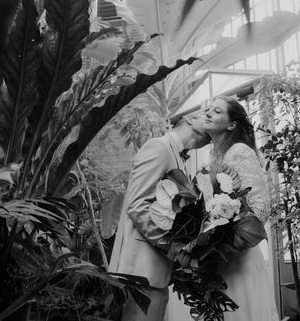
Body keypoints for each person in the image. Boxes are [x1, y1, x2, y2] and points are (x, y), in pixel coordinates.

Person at [166, 96, 277, 321]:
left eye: (217, 112)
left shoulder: (239, 151)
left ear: (231, 124)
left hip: (235, 257)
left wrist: (225, 240)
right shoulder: (214, 154)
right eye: (208, 109)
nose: (208, 114)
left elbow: (261, 207)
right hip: (214, 258)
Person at [109, 113, 211, 321]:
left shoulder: (177, 157)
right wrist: (176, 248)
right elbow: (137, 205)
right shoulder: (159, 148)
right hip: (141, 273)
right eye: (206, 115)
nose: (211, 121)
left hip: (156, 273)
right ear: (190, 118)